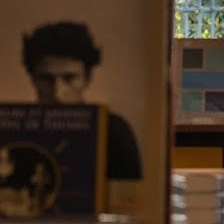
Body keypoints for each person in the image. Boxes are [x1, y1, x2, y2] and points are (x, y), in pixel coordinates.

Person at [21, 21, 142, 181]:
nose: (58, 92)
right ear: (33, 80)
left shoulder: (112, 131)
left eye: (69, 78)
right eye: (46, 79)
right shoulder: (16, 128)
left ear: (87, 79)